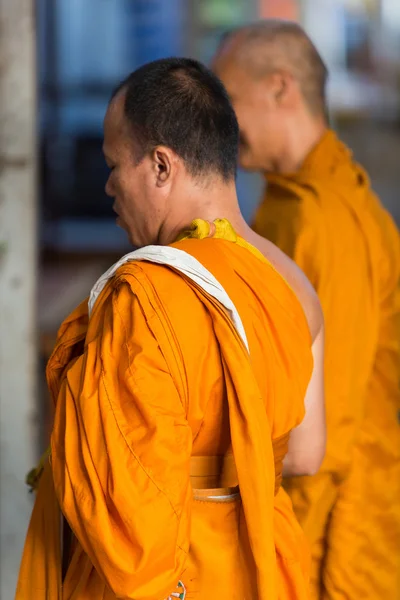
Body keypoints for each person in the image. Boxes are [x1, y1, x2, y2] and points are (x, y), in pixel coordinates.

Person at [15, 58, 325, 600]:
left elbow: (134, 538)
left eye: (115, 165)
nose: (109, 185)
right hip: (262, 566)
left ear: (162, 166)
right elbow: (301, 454)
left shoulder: (145, 296)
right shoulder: (285, 282)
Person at [214, 21, 400, 600]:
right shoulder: (289, 202)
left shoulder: (326, 219)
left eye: (230, 104)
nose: (219, 128)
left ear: (280, 88)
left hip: (337, 533)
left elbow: (330, 432)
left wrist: (283, 564)